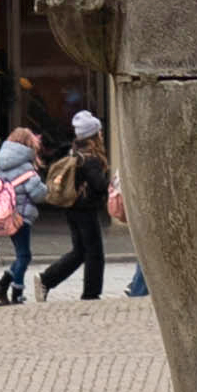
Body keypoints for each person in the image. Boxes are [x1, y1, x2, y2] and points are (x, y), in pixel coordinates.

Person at [45, 111, 114, 300]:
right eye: (99, 131)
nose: (101, 134)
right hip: (85, 209)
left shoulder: (74, 151)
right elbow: (98, 185)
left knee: (80, 251)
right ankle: (90, 293)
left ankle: (47, 280)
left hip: (72, 207)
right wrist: (112, 184)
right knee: (94, 253)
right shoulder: (90, 158)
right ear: (94, 134)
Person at [0, 126, 41, 304]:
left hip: (6, 216)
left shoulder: (1, 167)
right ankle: (16, 292)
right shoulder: (26, 168)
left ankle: (3, 283)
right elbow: (38, 193)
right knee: (24, 255)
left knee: (22, 254)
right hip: (21, 218)